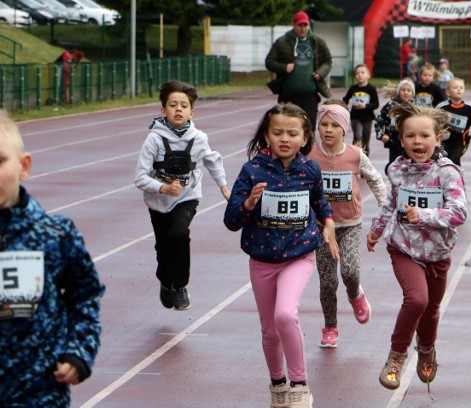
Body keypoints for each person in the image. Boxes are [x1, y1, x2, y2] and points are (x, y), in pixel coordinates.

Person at [224, 102, 339, 408]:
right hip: (262, 259)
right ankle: (278, 385)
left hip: (299, 254)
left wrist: (328, 224)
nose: (284, 138)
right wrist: (249, 203)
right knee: (269, 328)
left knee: (285, 314)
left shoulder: (309, 169)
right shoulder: (252, 171)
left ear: (304, 138)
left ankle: (300, 385)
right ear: (266, 135)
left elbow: (320, 202)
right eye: (277, 132)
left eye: (292, 133)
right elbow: (231, 220)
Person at [0, 109, 105, 407]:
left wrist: (78, 352)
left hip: (39, 393)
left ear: (24, 166)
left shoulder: (54, 235)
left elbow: (85, 298)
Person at [366, 103, 467, 392]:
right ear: (401, 140)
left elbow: (459, 213)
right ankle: (396, 356)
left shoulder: (448, 173)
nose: (417, 142)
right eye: (410, 136)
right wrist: (376, 228)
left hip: (437, 253)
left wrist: (423, 215)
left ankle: (426, 348)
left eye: (424, 136)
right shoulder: (397, 168)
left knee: (432, 310)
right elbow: (390, 201)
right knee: (417, 300)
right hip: (404, 247)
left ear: (438, 139)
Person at [134, 80, 230, 311]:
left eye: (184, 105)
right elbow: (139, 178)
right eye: (173, 105)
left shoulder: (199, 138)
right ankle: (166, 282)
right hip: (158, 202)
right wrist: (163, 188)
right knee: (163, 246)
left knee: (178, 234)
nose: (179, 109)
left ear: (192, 111)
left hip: (187, 197)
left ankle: (180, 286)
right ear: (163, 111)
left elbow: (212, 161)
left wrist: (224, 187)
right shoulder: (154, 140)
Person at [307, 101, 387, 348]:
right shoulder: (310, 154)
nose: (328, 130)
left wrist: (386, 209)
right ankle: (330, 326)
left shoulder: (354, 155)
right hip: (322, 227)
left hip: (350, 224)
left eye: (334, 125)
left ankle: (355, 294)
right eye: (323, 125)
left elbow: (375, 180)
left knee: (350, 272)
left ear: (344, 129)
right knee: (328, 281)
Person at [265, 11, 333, 128]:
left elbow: (327, 60)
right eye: (299, 26)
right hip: (288, 94)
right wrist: (284, 67)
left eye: (305, 25)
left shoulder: (316, 41)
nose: (302, 29)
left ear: (309, 25)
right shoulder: (282, 42)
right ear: (294, 25)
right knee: (288, 126)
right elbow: (269, 61)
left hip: (309, 93)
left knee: (309, 126)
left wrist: (321, 72)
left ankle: (307, 146)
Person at [436, 78, 471, 166]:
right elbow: (434, 123)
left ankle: (458, 179)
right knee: (443, 162)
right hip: (444, 142)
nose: (459, 89)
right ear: (448, 92)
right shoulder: (442, 107)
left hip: (461, 142)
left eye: (461, 88)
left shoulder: (469, 108)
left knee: (453, 159)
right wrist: (443, 119)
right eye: (455, 87)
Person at [375, 80, 415, 173]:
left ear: (412, 93)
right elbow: (380, 120)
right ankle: (393, 178)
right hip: (394, 140)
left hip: (410, 140)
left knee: (409, 163)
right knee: (394, 164)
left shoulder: (415, 107)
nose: (406, 92)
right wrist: (381, 135)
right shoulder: (391, 105)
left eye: (409, 90)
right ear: (398, 91)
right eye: (403, 90)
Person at [342, 64, 380, 156]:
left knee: (365, 140)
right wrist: (342, 108)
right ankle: (354, 156)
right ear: (355, 76)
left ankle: (365, 160)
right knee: (358, 136)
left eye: (362, 73)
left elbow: (376, 104)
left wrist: (365, 106)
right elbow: (345, 99)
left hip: (367, 117)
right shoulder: (353, 88)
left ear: (368, 75)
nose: (359, 75)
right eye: (357, 73)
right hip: (355, 116)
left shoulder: (371, 89)